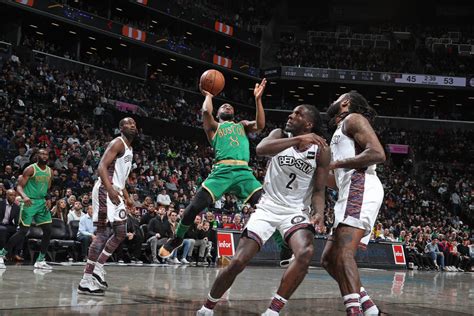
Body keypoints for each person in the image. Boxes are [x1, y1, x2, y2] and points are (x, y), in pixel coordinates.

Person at [197, 104, 329, 316]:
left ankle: (273, 311)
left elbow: (320, 190)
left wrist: (319, 213)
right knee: (238, 261)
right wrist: (298, 140)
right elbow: (260, 149)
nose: (291, 115)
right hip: (267, 207)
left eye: (297, 114)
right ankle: (207, 306)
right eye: (292, 111)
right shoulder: (279, 134)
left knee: (305, 252)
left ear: (309, 124)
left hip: (295, 211)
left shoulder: (321, 150)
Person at [159, 78, 269, 259]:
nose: (227, 106)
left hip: (244, 173)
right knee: (192, 208)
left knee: (267, 206)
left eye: (230, 106)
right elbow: (204, 110)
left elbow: (260, 125)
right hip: (221, 172)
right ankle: (177, 238)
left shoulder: (241, 126)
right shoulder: (214, 128)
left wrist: (257, 100)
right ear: (217, 113)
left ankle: (284, 248)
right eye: (223, 106)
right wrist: (209, 95)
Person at [321, 91, 386, 316]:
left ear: (346, 102)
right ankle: (369, 309)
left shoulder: (353, 119)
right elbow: (337, 180)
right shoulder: (339, 130)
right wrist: (315, 174)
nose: (333, 101)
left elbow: (378, 153)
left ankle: (355, 312)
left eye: (336, 98)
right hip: (349, 190)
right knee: (329, 260)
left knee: (343, 255)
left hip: (361, 187)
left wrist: (337, 163)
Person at [77, 117, 137, 295]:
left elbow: (121, 178)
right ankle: (85, 280)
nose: (132, 125)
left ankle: (98, 267)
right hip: (105, 190)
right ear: (121, 128)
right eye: (127, 123)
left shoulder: (129, 148)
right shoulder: (117, 143)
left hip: (116, 191)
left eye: (134, 123)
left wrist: (127, 197)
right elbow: (101, 166)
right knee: (103, 233)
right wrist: (110, 190)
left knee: (120, 233)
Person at [1, 149, 54, 270]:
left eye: (46, 154)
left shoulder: (50, 171)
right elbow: (19, 186)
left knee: (48, 230)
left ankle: (40, 260)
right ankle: (1, 254)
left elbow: (48, 188)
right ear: (37, 156)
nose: (44, 156)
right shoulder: (30, 169)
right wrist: (24, 196)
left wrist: (49, 198)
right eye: (41, 154)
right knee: (23, 231)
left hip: (41, 203)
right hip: (29, 202)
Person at [0, 189, 21, 268]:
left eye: (14, 195)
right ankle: (2, 254)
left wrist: (18, 226)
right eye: (11, 195)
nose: (13, 197)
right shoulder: (1, 203)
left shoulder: (16, 207)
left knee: (21, 232)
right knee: (3, 230)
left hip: (8, 225)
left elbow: (16, 221)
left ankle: (15, 253)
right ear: (7, 196)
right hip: (0, 224)